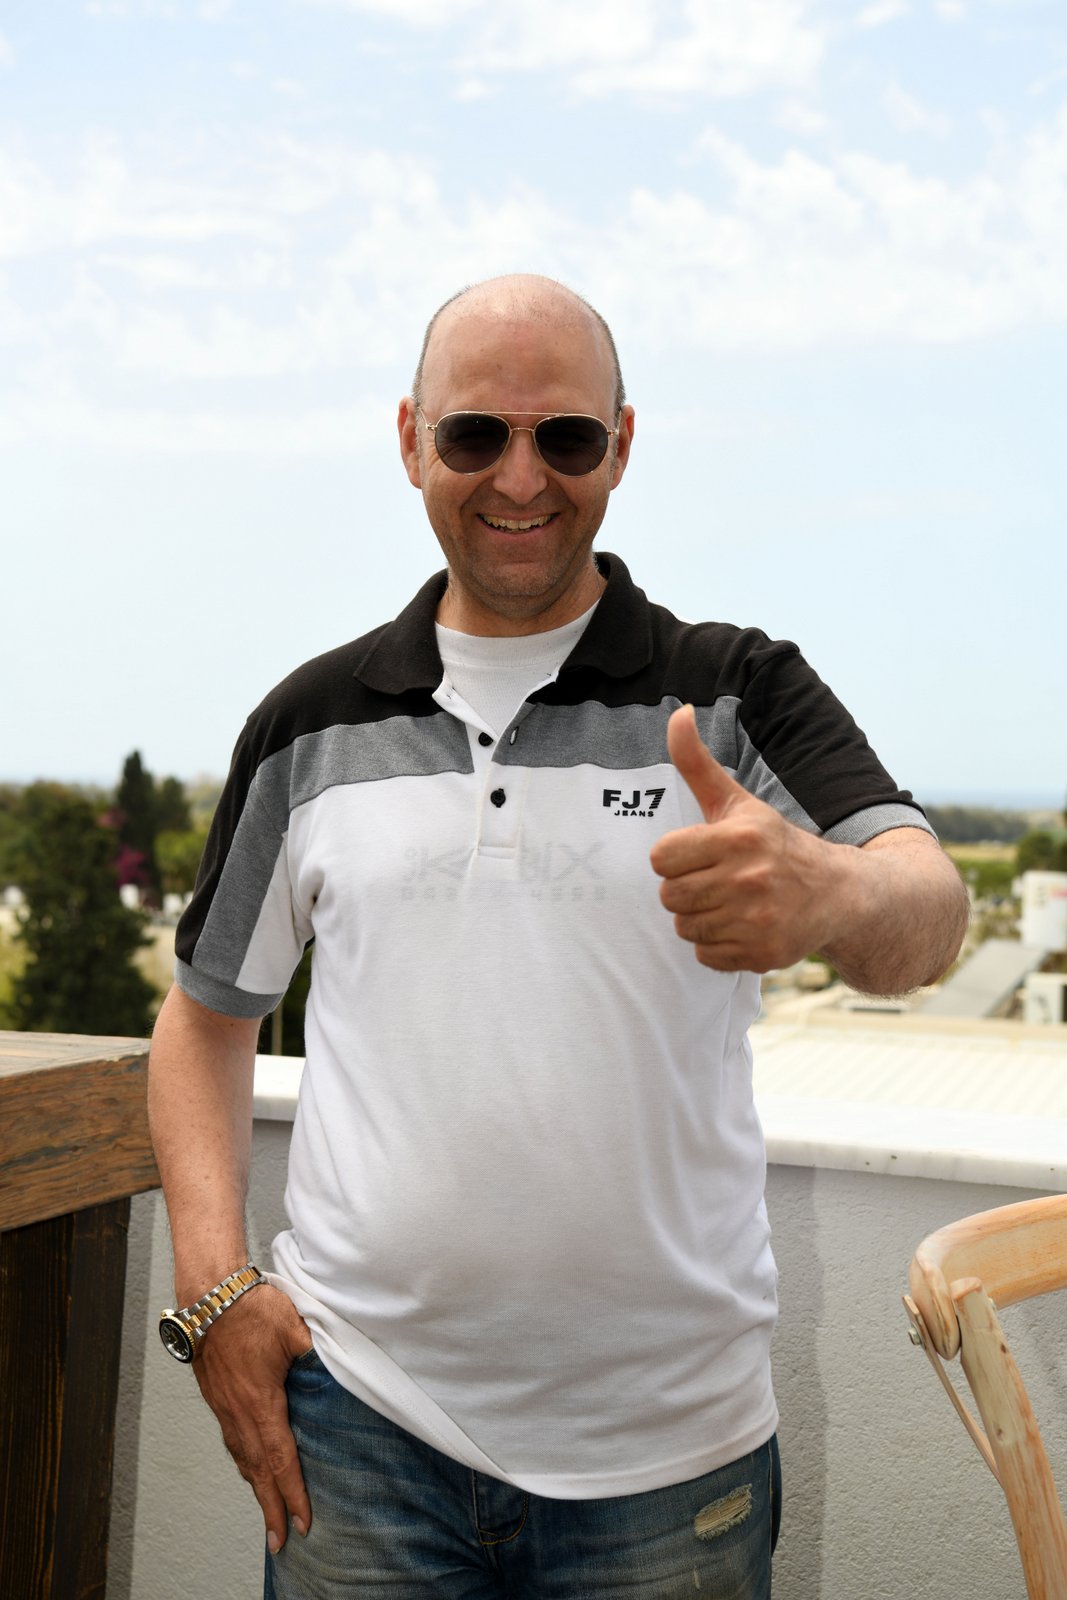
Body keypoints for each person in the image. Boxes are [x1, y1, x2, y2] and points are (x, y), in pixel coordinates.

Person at [148, 273, 968, 1599]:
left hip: (671, 1462)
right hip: (357, 1437)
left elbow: (926, 915)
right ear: (411, 440)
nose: (521, 477)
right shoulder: (309, 728)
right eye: (476, 433)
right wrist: (214, 1289)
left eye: (567, 438)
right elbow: (203, 1020)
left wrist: (831, 897)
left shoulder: (737, 693)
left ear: (622, 446)